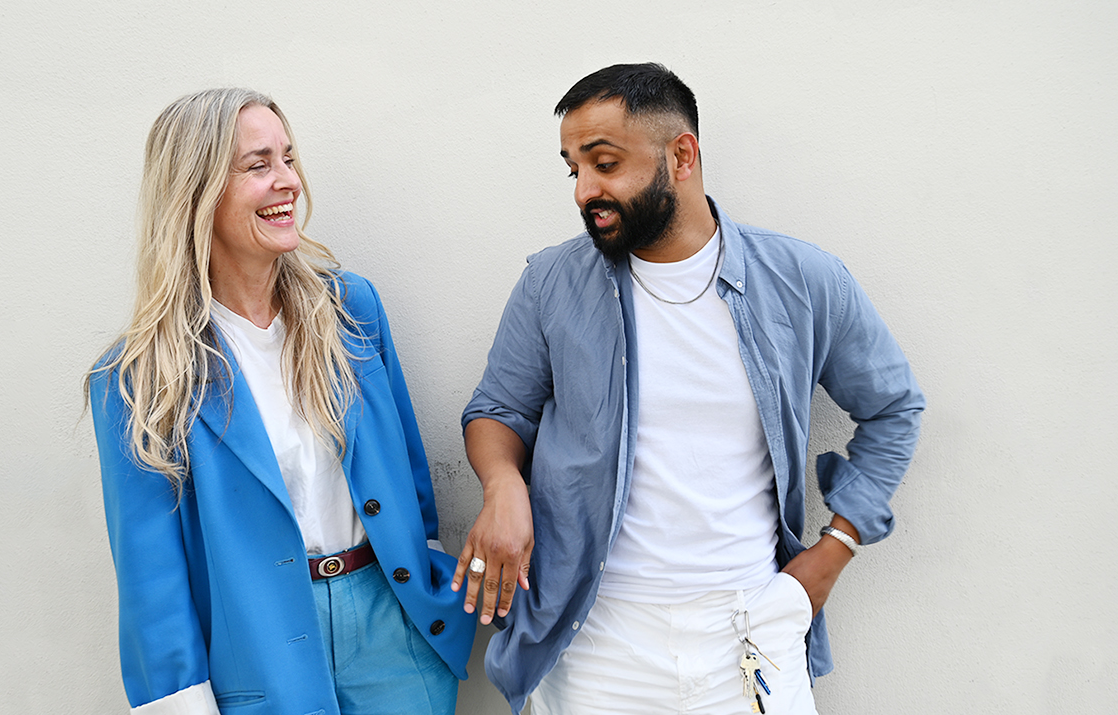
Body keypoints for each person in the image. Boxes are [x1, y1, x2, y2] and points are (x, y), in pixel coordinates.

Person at [453, 64, 924, 714]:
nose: (585, 189)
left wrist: (834, 549)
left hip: (750, 628)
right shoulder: (552, 282)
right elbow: (497, 411)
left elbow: (894, 408)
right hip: (597, 643)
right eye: (574, 169)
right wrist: (503, 485)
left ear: (681, 155)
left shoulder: (802, 280)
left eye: (605, 163)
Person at [87, 88, 472, 715]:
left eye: (288, 159)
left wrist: (424, 562)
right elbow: (150, 579)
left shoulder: (351, 309)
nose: (287, 181)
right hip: (261, 655)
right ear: (197, 193)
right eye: (257, 165)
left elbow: (405, 464)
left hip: (390, 629)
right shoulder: (140, 378)